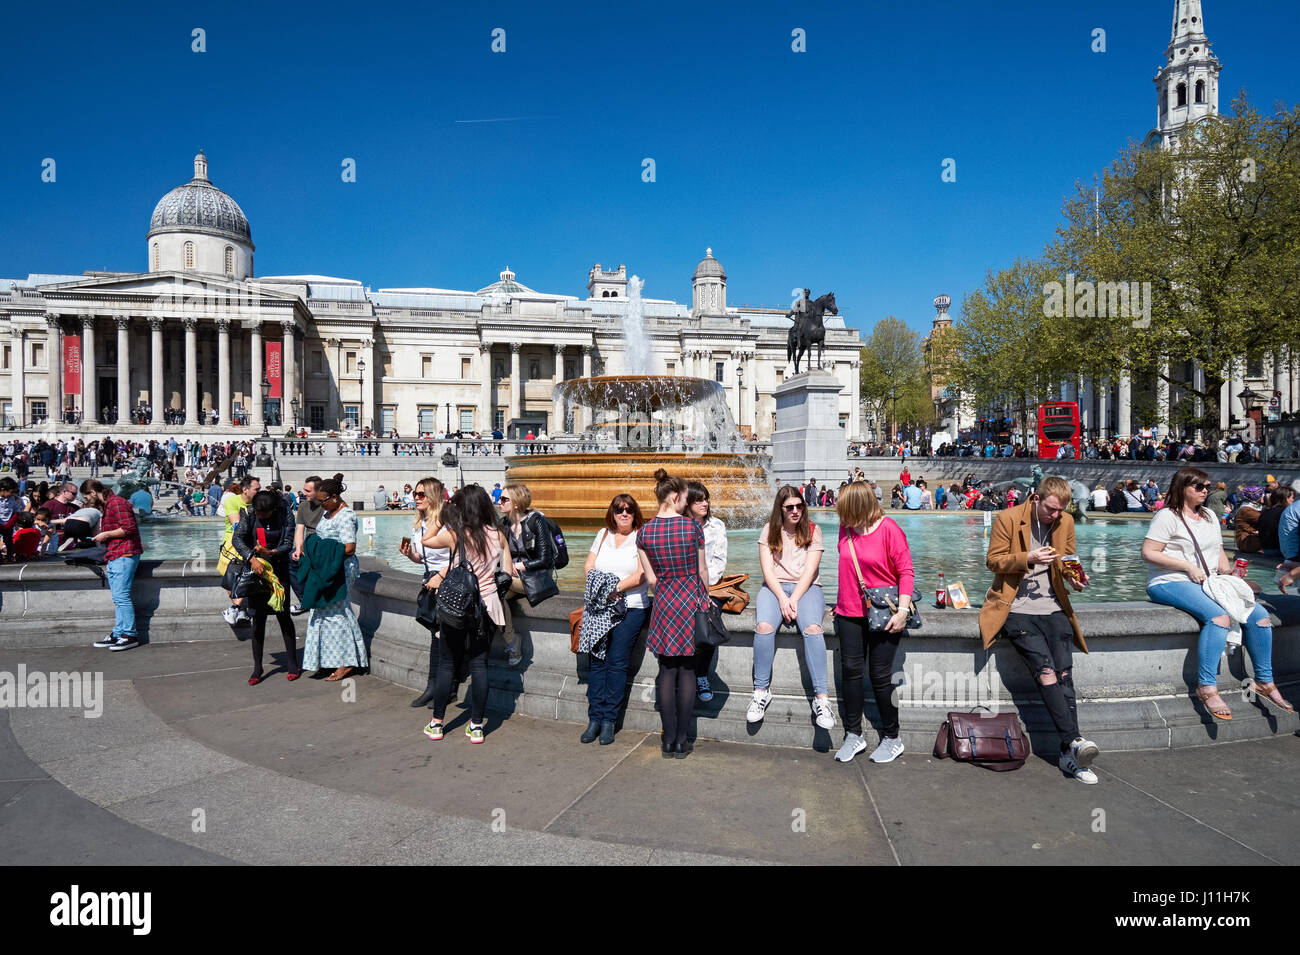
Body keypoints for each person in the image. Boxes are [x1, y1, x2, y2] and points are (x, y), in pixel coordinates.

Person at [1143, 468, 1291, 719]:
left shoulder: (1210, 515)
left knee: (1261, 616)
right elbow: (1149, 552)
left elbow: (1218, 550)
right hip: (1170, 580)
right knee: (1218, 617)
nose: (1204, 492)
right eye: (1198, 487)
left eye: (1206, 487)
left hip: (1210, 582)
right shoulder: (1167, 516)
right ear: (1182, 488)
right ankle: (1207, 686)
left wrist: (1229, 573)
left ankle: (1264, 682)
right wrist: (1187, 566)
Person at [979, 476, 1100, 783]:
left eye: (1061, 510)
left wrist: (1075, 578)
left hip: (1054, 607)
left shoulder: (1066, 521)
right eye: (1051, 509)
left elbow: (1068, 560)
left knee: (1064, 675)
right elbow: (992, 562)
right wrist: (1027, 558)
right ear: (1035, 499)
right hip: (1016, 608)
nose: (1055, 516)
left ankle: (1069, 752)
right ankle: (1074, 743)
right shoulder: (1008, 518)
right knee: (1046, 672)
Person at [831, 481, 914, 763]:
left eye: (844, 508)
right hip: (848, 612)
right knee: (851, 672)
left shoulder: (890, 529)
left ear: (858, 506)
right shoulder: (846, 527)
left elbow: (906, 572)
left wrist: (902, 611)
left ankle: (893, 737)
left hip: (884, 613)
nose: (839, 514)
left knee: (880, 676)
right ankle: (853, 735)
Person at [422, 485, 511, 744]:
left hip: (457, 606)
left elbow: (427, 540)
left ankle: (437, 723)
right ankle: (476, 726)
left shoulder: (455, 535)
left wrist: (440, 515)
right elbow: (505, 573)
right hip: (488, 607)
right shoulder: (498, 535)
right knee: (479, 664)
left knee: (448, 663)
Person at [637, 468, 710, 758]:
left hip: (665, 603)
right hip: (690, 600)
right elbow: (702, 570)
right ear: (677, 497)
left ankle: (667, 742)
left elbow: (650, 579)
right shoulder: (693, 528)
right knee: (688, 669)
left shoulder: (644, 532)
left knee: (666, 670)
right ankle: (683, 740)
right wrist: (704, 598)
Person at [749, 485, 833, 733]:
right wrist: (782, 599)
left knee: (813, 628)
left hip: (806, 589)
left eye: (800, 506)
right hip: (774, 588)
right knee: (763, 626)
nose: (796, 511)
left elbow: (810, 571)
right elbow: (767, 570)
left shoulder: (813, 530)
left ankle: (822, 700)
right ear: (781, 509)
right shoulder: (769, 530)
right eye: (790, 507)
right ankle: (761, 692)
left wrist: (793, 598)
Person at [579, 494, 649, 745]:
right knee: (597, 662)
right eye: (619, 509)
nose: (624, 513)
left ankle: (609, 720)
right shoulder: (603, 534)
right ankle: (594, 718)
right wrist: (601, 586)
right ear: (613, 512)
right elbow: (588, 564)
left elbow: (642, 575)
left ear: (635, 513)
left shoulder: (641, 536)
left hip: (630, 607)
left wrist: (613, 587)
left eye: (629, 510)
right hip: (600, 608)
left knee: (617, 663)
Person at [300, 478, 367, 682]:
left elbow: (349, 547)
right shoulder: (329, 512)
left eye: (324, 501)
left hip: (339, 570)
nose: (321, 505)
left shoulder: (346, 515)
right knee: (321, 613)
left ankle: (346, 663)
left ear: (335, 497)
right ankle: (327, 660)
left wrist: (320, 549)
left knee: (337, 615)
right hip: (326, 568)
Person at [232, 489, 300, 685]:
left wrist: (271, 552)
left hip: (278, 570)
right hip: (256, 572)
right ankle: (257, 667)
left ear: (273, 509)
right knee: (258, 619)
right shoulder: (250, 515)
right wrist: (252, 558)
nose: (260, 517)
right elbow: (238, 539)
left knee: (283, 615)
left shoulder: (285, 514)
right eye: (258, 513)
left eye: (264, 514)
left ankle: (292, 663)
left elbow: (288, 542)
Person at [84, 480, 145, 652]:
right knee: (118, 598)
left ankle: (129, 635)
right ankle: (119, 633)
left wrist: (106, 534)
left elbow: (129, 528)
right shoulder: (110, 504)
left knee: (121, 597)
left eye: (87, 496)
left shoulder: (117, 503)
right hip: (116, 552)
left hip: (124, 554)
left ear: (94, 492)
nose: (87, 500)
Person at [498, 482, 556, 660]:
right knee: (492, 594)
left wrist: (521, 566)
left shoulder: (536, 521)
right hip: (512, 579)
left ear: (516, 502)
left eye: (503, 499)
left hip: (535, 578)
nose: (499, 502)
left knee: (494, 586)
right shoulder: (503, 523)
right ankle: (511, 639)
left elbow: (546, 558)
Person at [686, 481, 727, 702]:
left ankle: (701, 675)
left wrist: (702, 589)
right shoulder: (679, 525)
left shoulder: (717, 525)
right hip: (682, 588)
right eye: (698, 499)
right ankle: (685, 675)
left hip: (709, 588)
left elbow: (720, 562)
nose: (705, 503)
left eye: (706, 498)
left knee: (708, 620)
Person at [1258, 486, 1292, 558]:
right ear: (1285, 499)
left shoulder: (1265, 511)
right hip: (1278, 550)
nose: (1293, 500)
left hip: (1266, 548)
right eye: (1291, 498)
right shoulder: (1286, 512)